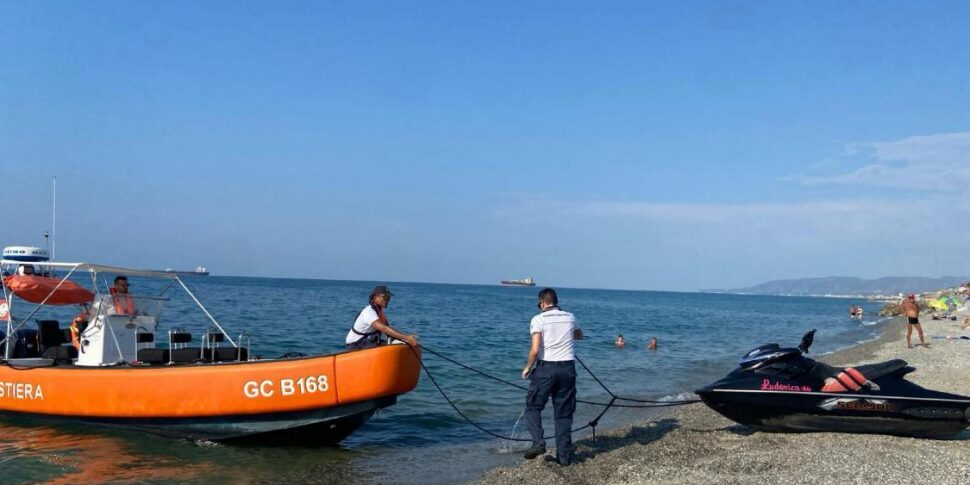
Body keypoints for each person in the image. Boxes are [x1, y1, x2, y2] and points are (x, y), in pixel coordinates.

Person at [521, 288, 583, 466]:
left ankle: (538, 443)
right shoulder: (570, 317)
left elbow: (535, 349)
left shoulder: (538, 319)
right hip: (567, 368)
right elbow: (579, 335)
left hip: (546, 369)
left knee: (532, 406)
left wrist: (527, 368)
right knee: (563, 413)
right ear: (555, 301)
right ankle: (564, 458)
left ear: (542, 303)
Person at [345, 286, 418, 350]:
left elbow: (389, 330)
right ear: (375, 298)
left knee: (401, 345)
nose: (388, 299)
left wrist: (406, 338)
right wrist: (406, 338)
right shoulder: (368, 312)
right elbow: (384, 329)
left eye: (389, 297)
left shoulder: (380, 313)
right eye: (385, 297)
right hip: (355, 345)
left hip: (369, 342)